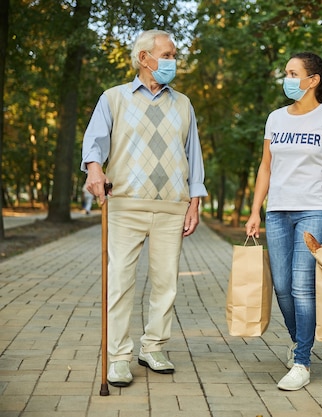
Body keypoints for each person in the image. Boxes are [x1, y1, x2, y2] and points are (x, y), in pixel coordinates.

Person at [81, 29, 208, 388]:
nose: (173, 61)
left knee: (166, 283)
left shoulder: (183, 104)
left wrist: (194, 201)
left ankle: (153, 347)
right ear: (144, 58)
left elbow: (193, 156)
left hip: (172, 205)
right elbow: (94, 143)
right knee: (121, 282)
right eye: (166, 55)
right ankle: (119, 357)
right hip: (125, 205)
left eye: (174, 55)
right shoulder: (113, 98)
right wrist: (94, 168)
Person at [245, 52, 322, 391]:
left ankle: (302, 362)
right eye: (286, 73)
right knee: (282, 286)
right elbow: (265, 167)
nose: (287, 79)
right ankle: (298, 342)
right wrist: (255, 209)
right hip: (276, 211)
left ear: (313, 80)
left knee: (302, 287)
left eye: (293, 73)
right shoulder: (275, 119)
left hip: (314, 210)